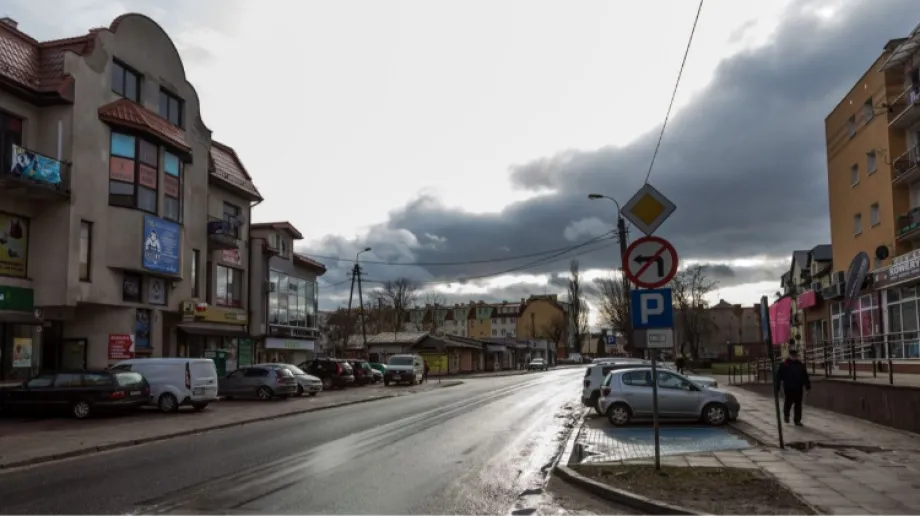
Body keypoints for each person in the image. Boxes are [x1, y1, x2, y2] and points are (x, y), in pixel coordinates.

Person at [775, 348, 811, 426]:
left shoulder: (800, 365)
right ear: (790, 355)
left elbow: (805, 376)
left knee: (798, 404)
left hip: (798, 387)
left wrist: (808, 387)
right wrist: (777, 388)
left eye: (795, 355)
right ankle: (786, 415)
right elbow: (778, 377)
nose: (794, 357)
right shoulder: (784, 365)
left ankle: (797, 420)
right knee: (788, 402)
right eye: (792, 355)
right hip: (789, 387)